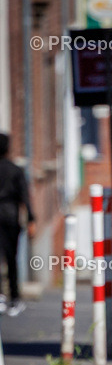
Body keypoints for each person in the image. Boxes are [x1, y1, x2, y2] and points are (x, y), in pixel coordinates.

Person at [0, 133, 35, 316]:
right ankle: (14, 298)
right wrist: (30, 219)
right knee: (12, 258)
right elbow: (24, 196)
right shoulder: (15, 170)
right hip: (10, 215)